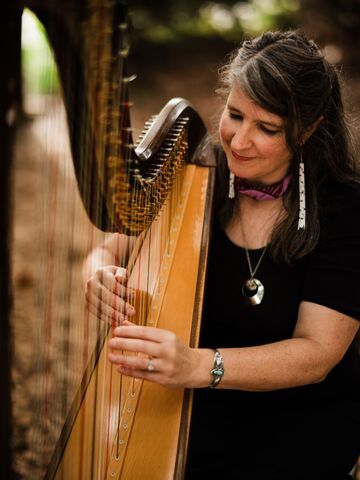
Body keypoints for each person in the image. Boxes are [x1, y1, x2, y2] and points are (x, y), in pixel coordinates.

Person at [84, 30, 360, 479]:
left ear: (308, 129)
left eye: (266, 128)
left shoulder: (344, 211)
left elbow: (316, 355)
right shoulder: (198, 174)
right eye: (235, 115)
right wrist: (96, 273)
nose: (239, 141)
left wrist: (198, 364)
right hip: (198, 403)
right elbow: (109, 248)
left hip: (305, 417)